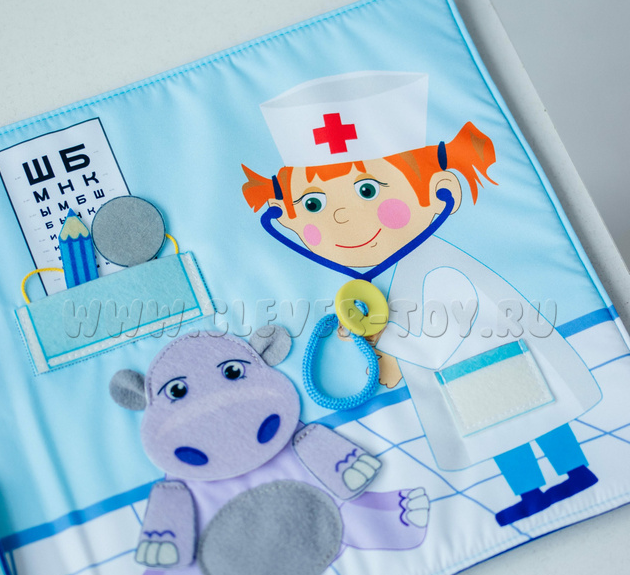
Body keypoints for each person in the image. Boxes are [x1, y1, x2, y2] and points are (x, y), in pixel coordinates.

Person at [241, 72, 601, 526]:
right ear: (289, 222)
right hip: (469, 379)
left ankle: (578, 472)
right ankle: (530, 492)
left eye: (368, 191)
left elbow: (445, 330)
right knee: (499, 433)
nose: (341, 216)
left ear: (437, 195)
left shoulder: (437, 263)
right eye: (312, 205)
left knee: (528, 419)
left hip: (492, 360)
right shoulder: (392, 274)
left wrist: (383, 347)